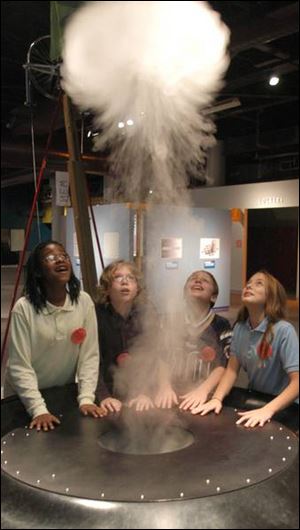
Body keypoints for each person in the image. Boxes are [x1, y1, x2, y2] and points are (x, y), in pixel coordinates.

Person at [4, 240, 106, 431]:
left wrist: (86, 398)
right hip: (23, 398)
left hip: (61, 392)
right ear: (37, 271)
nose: (60, 261)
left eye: (64, 256)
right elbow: (19, 366)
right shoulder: (24, 309)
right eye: (51, 258)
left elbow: (89, 356)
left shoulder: (83, 302)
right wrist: (38, 409)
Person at [195, 270, 299, 427]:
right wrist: (216, 399)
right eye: (248, 283)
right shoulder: (240, 329)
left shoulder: (284, 330)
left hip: (285, 406)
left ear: (272, 296)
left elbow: (297, 382)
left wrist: (268, 410)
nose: (249, 286)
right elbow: (231, 370)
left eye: (258, 283)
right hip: (256, 399)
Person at [155, 270, 232, 411]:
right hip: (170, 393)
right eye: (193, 279)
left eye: (205, 280)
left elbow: (223, 365)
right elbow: (162, 357)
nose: (198, 281)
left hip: (203, 395)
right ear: (184, 293)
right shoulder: (169, 320)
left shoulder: (221, 325)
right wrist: (164, 386)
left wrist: (203, 390)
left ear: (213, 296)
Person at [96, 260, 159, 413]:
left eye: (131, 278)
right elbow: (91, 360)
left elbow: (154, 357)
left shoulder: (148, 313)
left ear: (137, 287)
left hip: (140, 393)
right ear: (106, 288)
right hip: (107, 392)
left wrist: (145, 393)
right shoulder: (95, 315)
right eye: (117, 277)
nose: (125, 282)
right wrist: (103, 396)